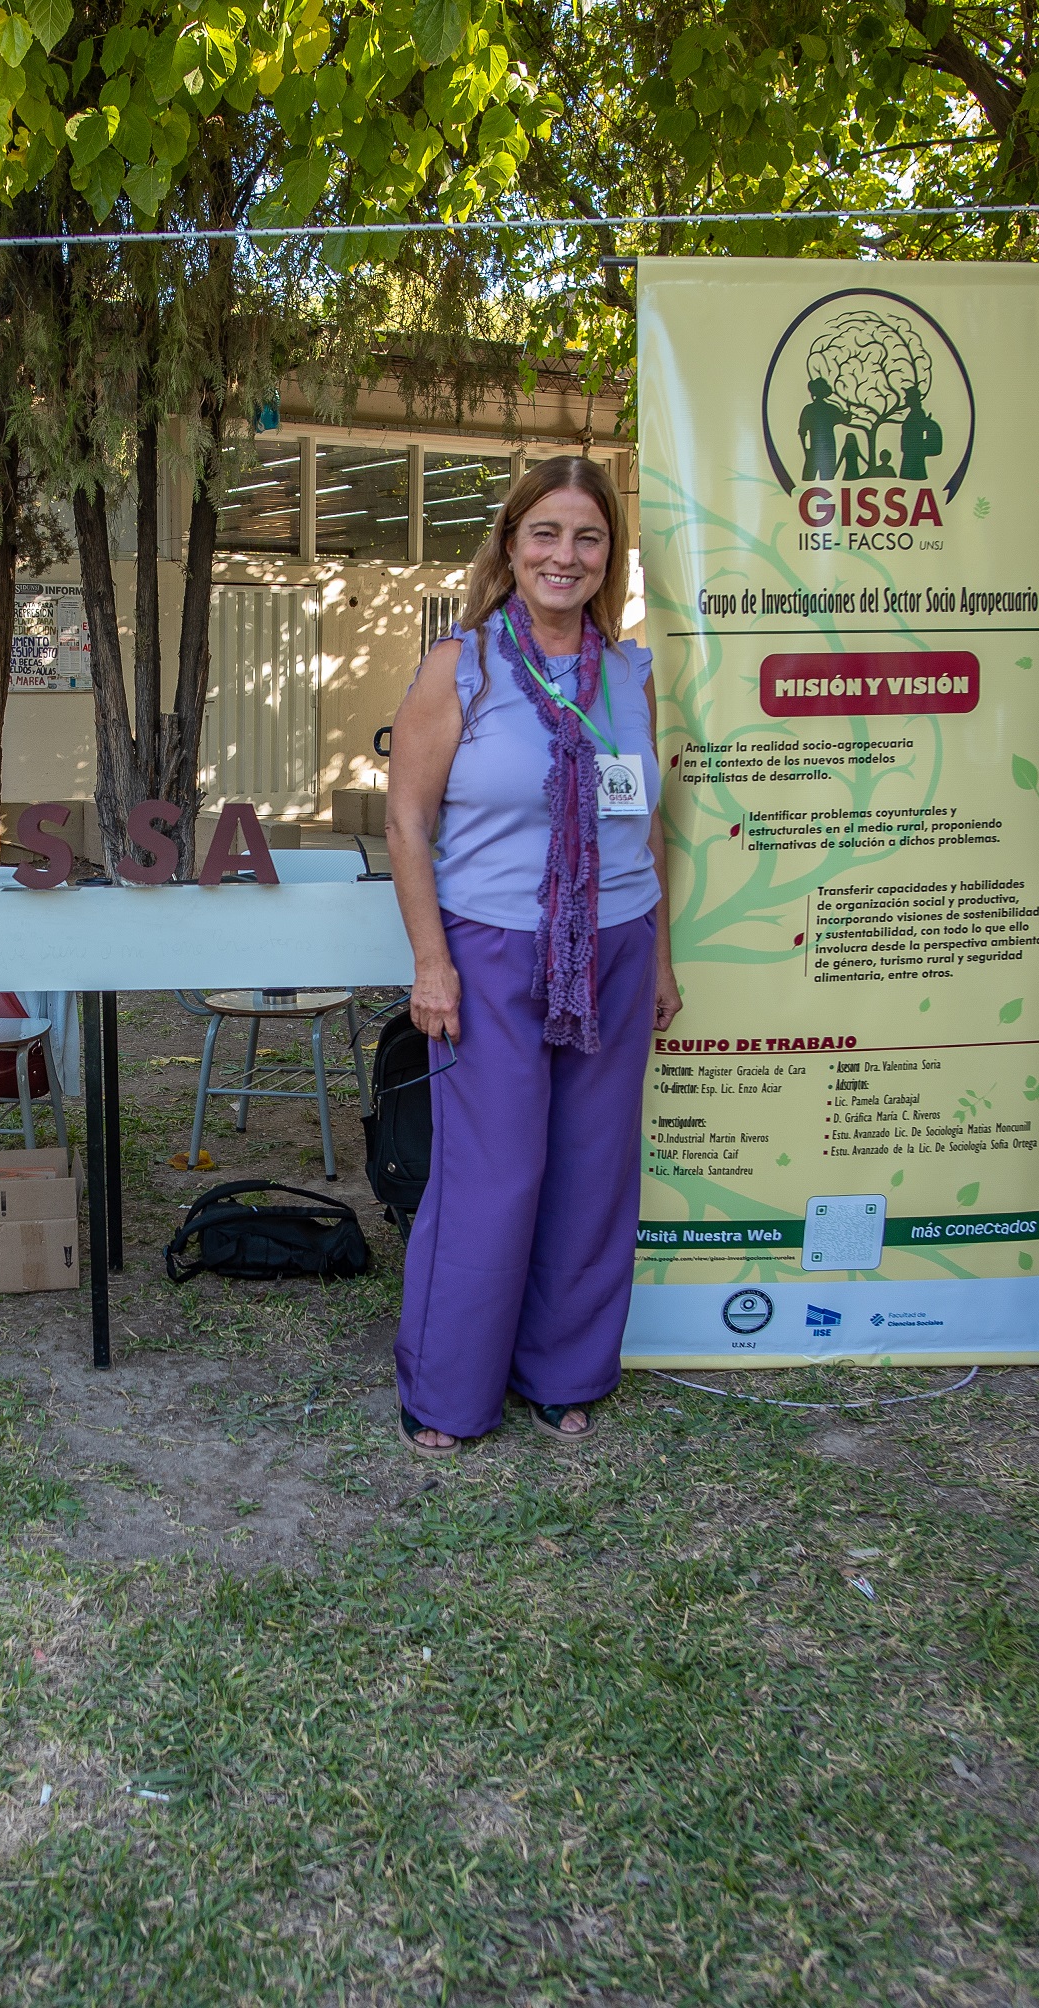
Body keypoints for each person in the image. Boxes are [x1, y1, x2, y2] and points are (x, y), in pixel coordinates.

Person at [382, 454, 681, 1456]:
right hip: (493, 953)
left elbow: (649, 833)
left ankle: (562, 1372)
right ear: (510, 545)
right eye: (545, 534)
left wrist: (664, 959)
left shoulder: (631, 674)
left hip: (616, 946)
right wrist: (432, 962)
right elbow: (406, 821)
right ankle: (448, 1392)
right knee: (494, 1173)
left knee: (593, 1171)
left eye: (587, 537)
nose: (565, 554)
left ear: (610, 555)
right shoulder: (457, 665)